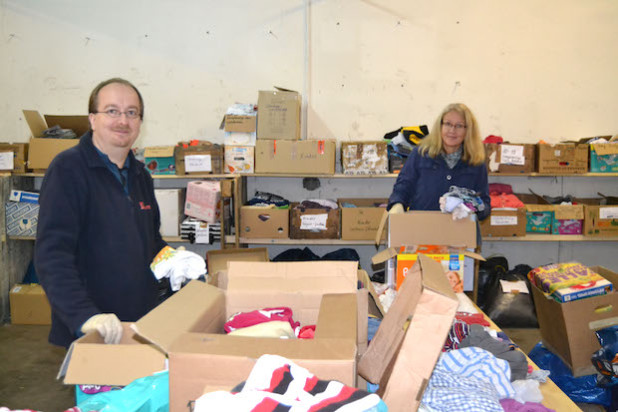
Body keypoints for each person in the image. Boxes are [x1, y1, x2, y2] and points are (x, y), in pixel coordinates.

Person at [35, 78, 167, 348]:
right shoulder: (67, 170)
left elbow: (150, 242)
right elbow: (52, 255)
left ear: (140, 122)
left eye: (132, 112)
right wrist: (85, 317)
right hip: (90, 331)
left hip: (137, 327)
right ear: (92, 119)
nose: (123, 120)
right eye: (112, 111)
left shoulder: (141, 175)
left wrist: (174, 260)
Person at [388, 103, 491, 228]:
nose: (452, 130)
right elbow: (403, 186)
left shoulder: (476, 162)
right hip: (422, 231)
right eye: (448, 124)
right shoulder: (420, 154)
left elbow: (484, 205)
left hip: (460, 234)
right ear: (440, 125)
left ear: (468, 130)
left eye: (459, 126)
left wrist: (474, 207)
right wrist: (397, 204)